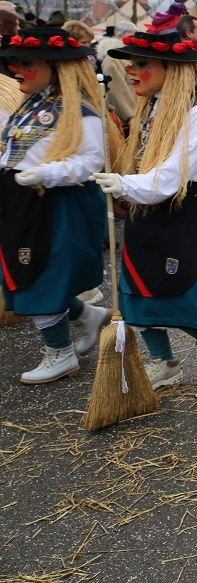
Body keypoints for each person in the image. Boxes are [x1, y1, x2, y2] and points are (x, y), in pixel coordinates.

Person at [92, 30, 197, 388]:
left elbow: (176, 174)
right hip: (146, 208)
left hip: (181, 212)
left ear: (171, 68)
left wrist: (127, 184)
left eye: (142, 63)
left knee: (180, 294)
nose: (131, 70)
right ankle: (164, 363)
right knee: (136, 293)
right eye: (130, 63)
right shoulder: (151, 106)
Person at [1, 27, 110, 384]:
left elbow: (92, 160)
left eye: (25, 63)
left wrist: (45, 174)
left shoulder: (81, 110)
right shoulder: (29, 104)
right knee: (19, 274)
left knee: (40, 276)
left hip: (52, 203)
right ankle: (86, 315)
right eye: (15, 63)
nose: (16, 70)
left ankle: (60, 354)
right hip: (20, 199)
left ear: (53, 66)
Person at [96, 21, 138, 125]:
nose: (134, 40)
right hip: (125, 120)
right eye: (131, 36)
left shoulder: (126, 57)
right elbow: (116, 90)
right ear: (119, 36)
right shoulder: (113, 59)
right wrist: (130, 117)